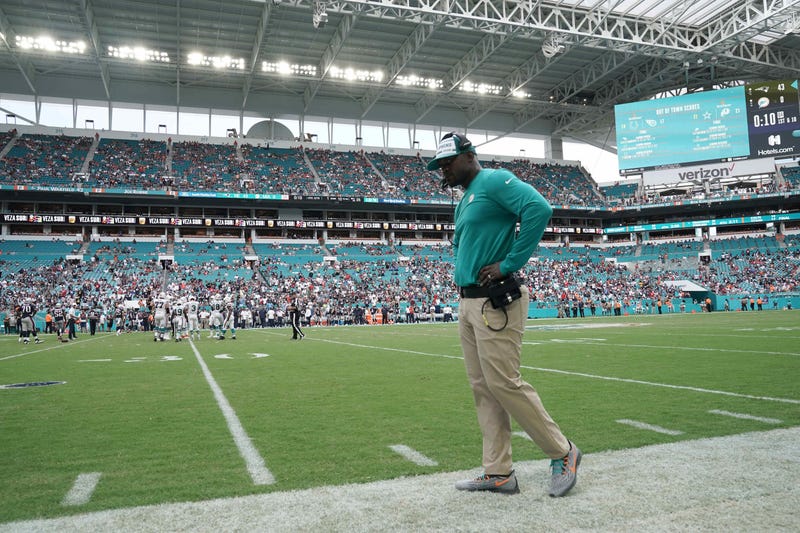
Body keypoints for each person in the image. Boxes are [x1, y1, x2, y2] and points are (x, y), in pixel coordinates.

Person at [428, 132, 581, 498]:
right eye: (439, 165)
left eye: (448, 162)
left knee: (504, 383)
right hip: (470, 302)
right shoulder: (465, 198)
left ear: (469, 156)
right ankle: (498, 471)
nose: (443, 170)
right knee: (483, 388)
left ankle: (563, 451)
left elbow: (539, 209)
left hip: (494, 302)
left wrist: (509, 263)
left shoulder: (493, 180)